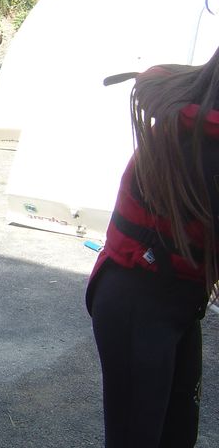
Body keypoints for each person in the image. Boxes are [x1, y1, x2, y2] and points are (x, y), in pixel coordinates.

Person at [86, 58, 219, 447]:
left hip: (179, 303)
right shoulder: (201, 148)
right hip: (137, 303)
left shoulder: (199, 113)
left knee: (178, 435)